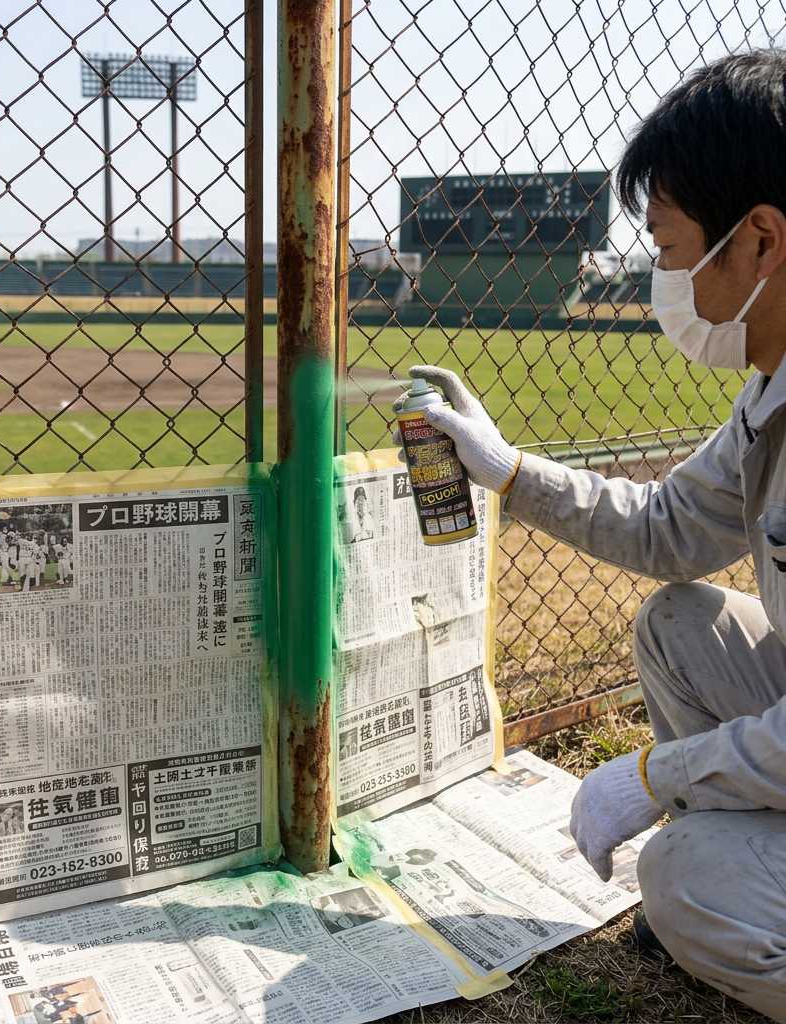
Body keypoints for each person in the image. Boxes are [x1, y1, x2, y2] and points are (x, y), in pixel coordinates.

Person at [408, 50, 786, 1020]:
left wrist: (658, 773)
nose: (660, 274)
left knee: (688, 878)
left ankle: (727, 889)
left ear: (759, 241)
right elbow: (667, 529)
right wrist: (510, 471)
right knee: (683, 621)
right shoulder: (770, 392)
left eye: (668, 245)